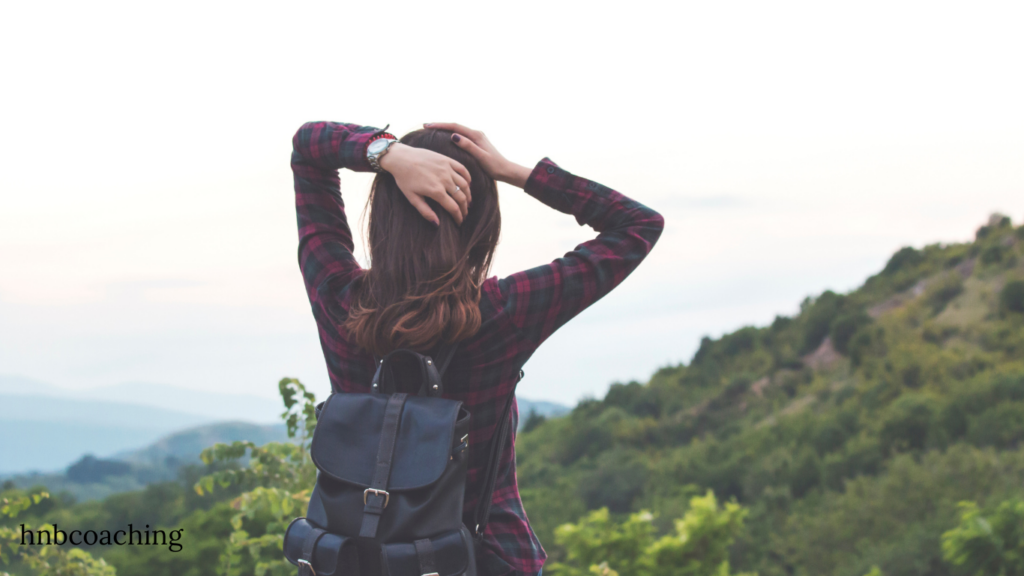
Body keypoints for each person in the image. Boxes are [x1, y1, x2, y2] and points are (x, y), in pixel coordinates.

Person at [291, 120, 664, 576]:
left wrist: (386, 155)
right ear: (482, 222)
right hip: (482, 558)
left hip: (360, 560)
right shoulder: (504, 312)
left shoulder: (338, 299)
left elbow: (308, 149)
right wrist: (513, 172)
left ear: (382, 214)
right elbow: (637, 224)